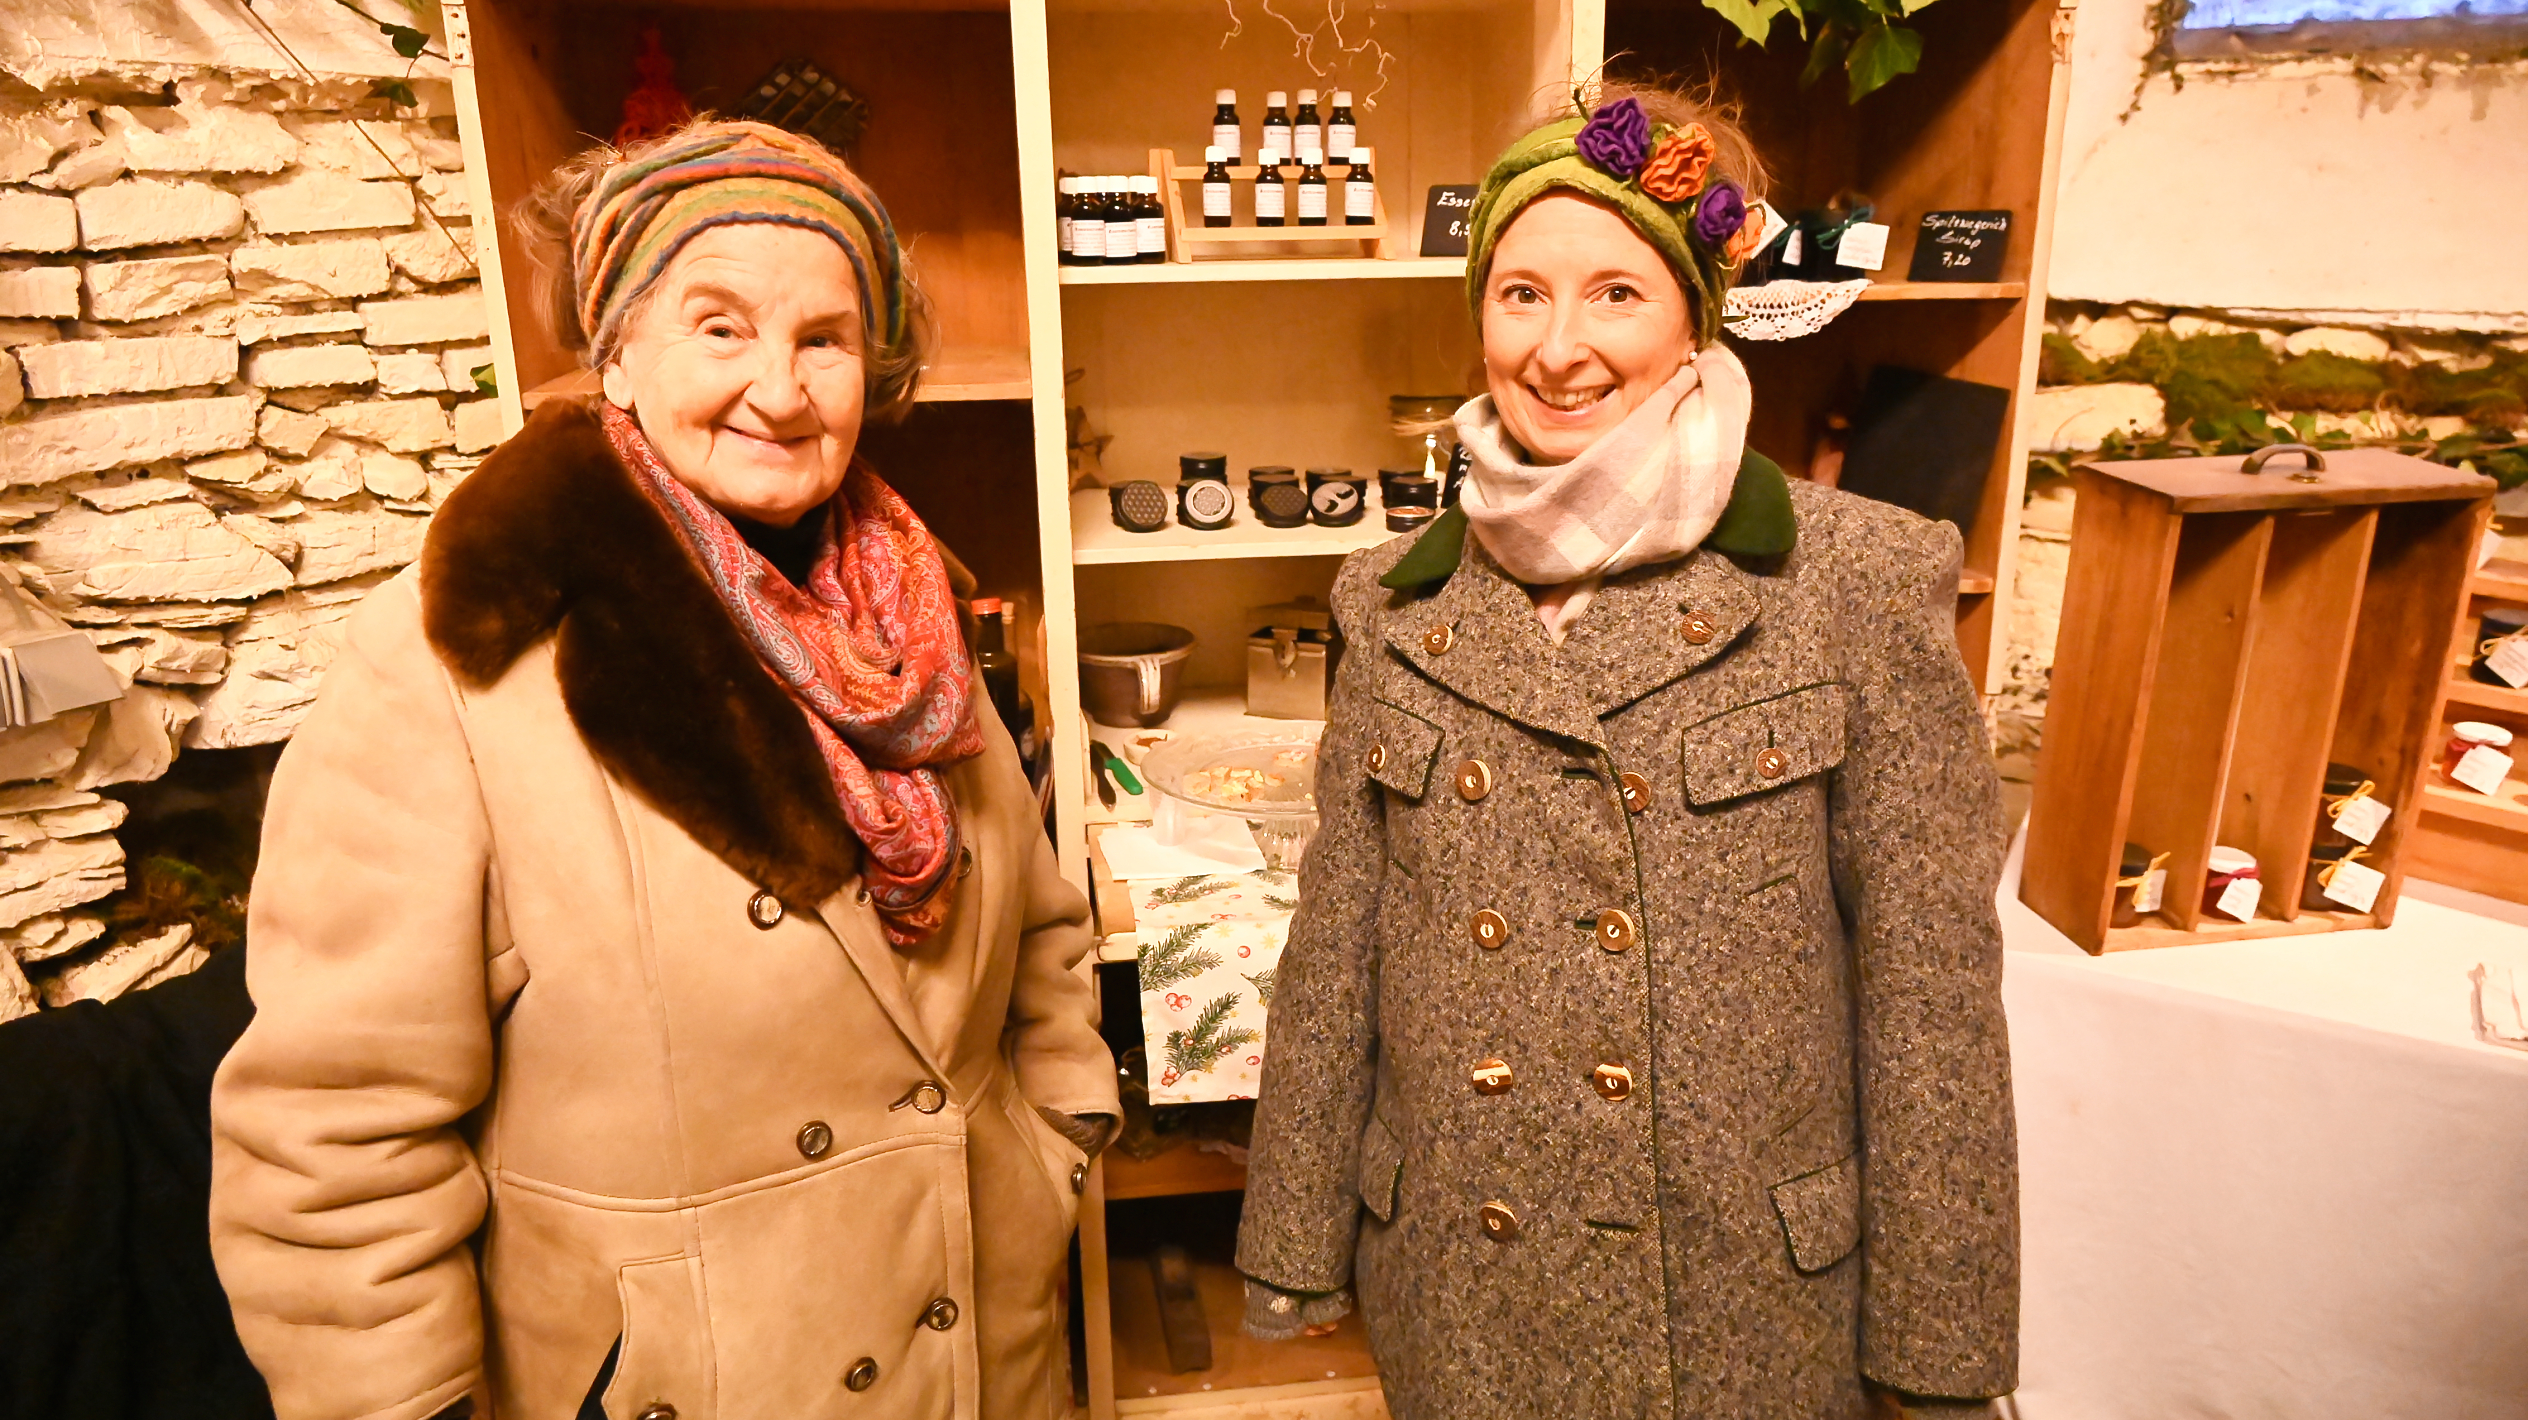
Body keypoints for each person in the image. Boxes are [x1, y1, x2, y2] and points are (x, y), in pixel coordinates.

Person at [208, 120, 1117, 1420]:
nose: (780, 390)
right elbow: (336, 1137)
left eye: (824, 339)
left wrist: (1054, 1138)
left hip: (976, 1347)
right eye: (719, 327)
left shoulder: (913, 618)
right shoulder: (458, 655)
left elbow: (1037, 925)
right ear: (618, 354)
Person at [1235, 84, 2018, 1419]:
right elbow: (1339, 941)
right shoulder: (1392, 600)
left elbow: (1929, 989)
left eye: (1615, 294)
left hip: (1740, 1301)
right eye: (1521, 295)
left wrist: (1938, 1345)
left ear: (1693, 320)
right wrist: (1296, 1232)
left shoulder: (1856, 581)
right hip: (1464, 1285)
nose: (1560, 349)